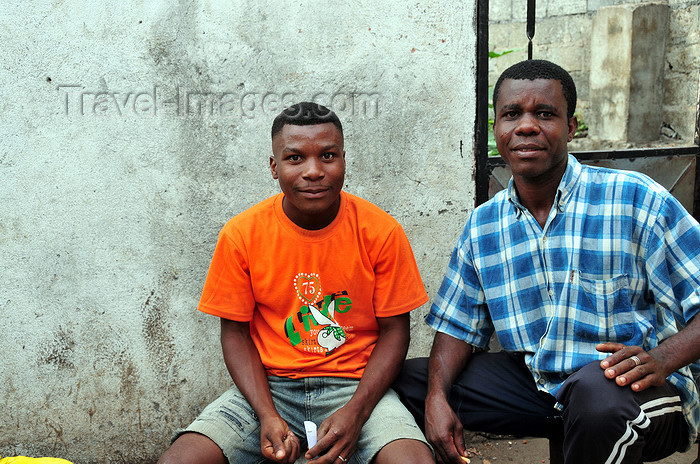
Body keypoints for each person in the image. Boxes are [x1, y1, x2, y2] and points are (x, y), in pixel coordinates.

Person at [393, 60, 700, 464]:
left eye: (544, 114)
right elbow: (457, 327)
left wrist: (662, 358)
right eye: (511, 114)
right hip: (541, 388)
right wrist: (436, 398)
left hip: (636, 388)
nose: (525, 126)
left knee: (596, 396)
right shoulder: (484, 224)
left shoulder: (635, 199)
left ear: (571, 128)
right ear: (496, 129)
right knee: (406, 382)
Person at [158, 101, 435, 464]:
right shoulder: (242, 234)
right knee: (179, 461)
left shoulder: (380, 231)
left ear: (344, 160)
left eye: (328, 155)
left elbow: (396, 332)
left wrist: (356, 413)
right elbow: (236, 334)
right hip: (268, 389)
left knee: (412, 461)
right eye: (295, 158)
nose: (314, 171)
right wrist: (268, 414)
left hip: (356, 387)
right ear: (274, 167)